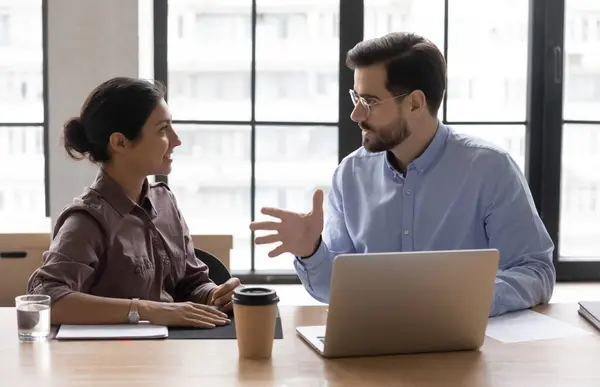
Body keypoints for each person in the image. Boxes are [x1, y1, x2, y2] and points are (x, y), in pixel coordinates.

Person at [249, 32, 556, 317]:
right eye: (356, 98)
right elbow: (336, 290)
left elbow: (535, 272)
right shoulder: (350, 175)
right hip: (373, 350)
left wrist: (459, 301)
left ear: (415, 103)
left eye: (369, 101)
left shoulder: (490, 169)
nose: (356, 115)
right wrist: (311, 251)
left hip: (467, 351)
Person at [27, 77, 240, 327]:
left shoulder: (165, 201)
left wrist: (215, 295)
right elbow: (46, 299)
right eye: (163, 129)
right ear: (120, 142)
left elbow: (190, 283)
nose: (176, 139)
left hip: (171, 353)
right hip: (113, 361)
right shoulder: (86, 220)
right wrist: (145, 309)